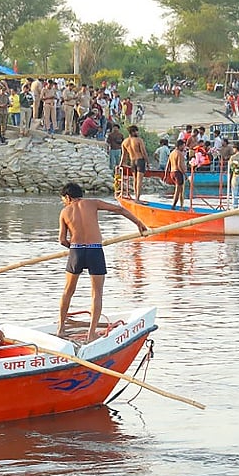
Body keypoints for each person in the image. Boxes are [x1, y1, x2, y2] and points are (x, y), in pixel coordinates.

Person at [57, 183, 148, 342]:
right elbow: (119, 210)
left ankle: (60, 329)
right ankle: (91, 333)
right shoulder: (93, 203)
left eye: (63, 199)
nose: (64, 202)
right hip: (95, 250)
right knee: (96, 293)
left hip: (76, 251)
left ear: (68, 197)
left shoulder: (65, 212)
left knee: (68, 291)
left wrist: (73, 248)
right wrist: (138, 223)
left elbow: (62, 240)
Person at [120, 125, 149, 200]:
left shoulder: (124, 142)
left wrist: (120, 164)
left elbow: (124, 155)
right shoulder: (139, 140)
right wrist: (148, 162)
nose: (137, 133)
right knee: (139, 180)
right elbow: (144, 152)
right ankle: (137, 199)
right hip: (140, 160)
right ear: (133, 132)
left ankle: (136, 197)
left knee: (135, 180)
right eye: (136, 131)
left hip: (132, 161)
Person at [165, 139, 187, 210]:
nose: (184, 148)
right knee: (178, 191)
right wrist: (185, 174)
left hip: (172, 173)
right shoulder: (179, 153)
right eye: (183, 146)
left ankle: (181, 206)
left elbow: (168, 165)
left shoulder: (172, 153)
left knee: (180, 190)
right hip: (178, 173)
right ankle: (174, 206)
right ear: (180, 146)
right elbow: (179, 166)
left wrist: (165, 175)